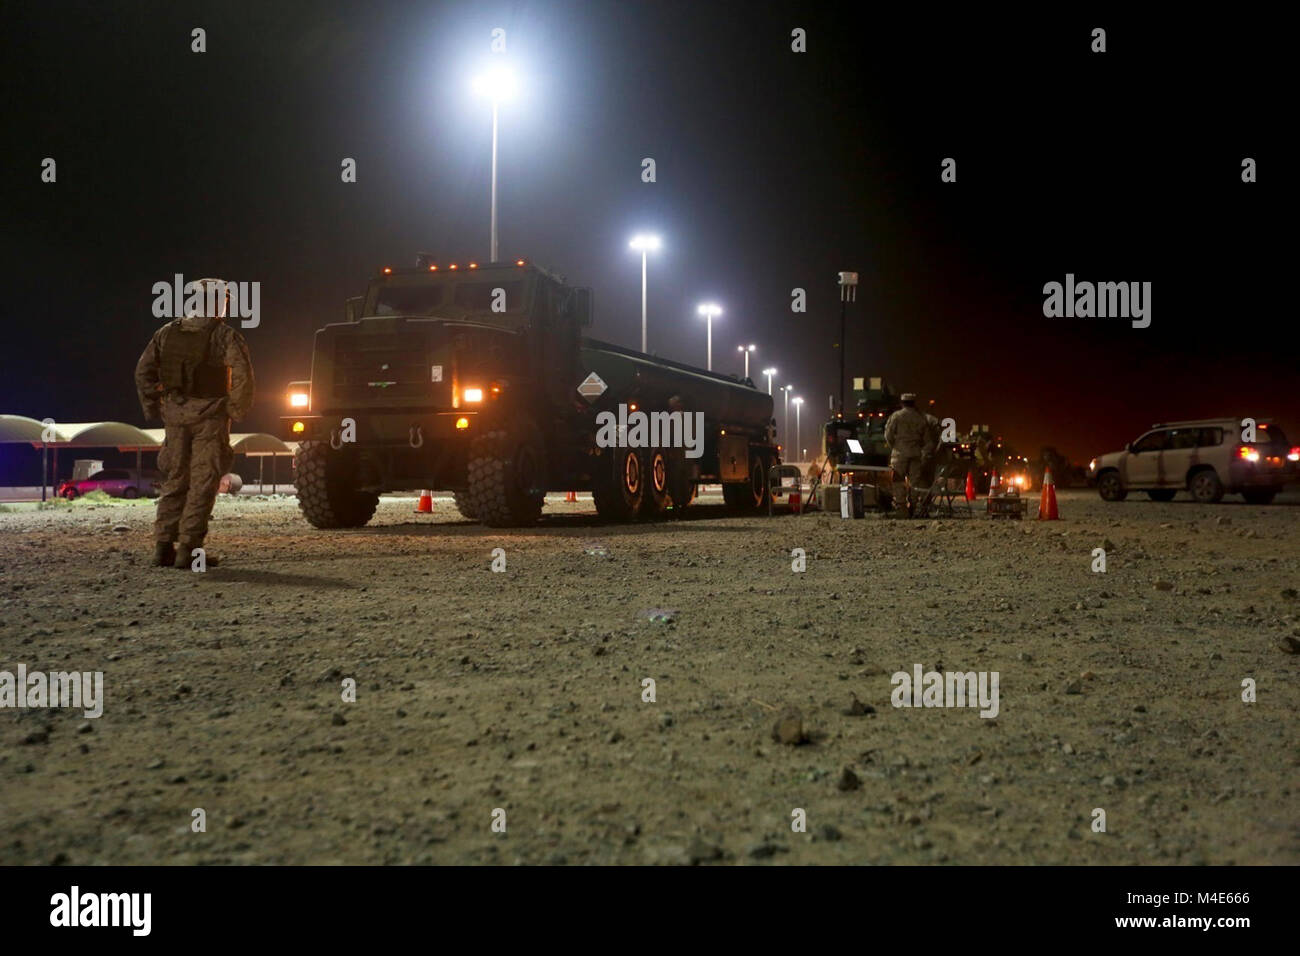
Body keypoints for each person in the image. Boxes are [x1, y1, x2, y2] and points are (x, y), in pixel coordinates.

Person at [134, 278, 254, 567]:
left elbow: (143, 372)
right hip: (210, 417)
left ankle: (162, 548)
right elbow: (242, 374)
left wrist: (154, 405)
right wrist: (235, 409)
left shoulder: (165, 333)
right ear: (217, 302)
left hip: (175, 417)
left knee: (175, 478)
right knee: (203, 481)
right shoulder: (224, 335)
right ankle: (189, 550)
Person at [884, 392, 933, 515]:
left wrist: (895, 446)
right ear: (914, 403)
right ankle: (913, 505)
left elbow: (888, 435)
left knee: (898, 480)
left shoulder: (896, 416)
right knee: (914, 482)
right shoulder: (921, 418)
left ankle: (901, 507)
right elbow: (928, 441)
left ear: (902, 403)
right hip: (916, 454)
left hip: (899, 454)